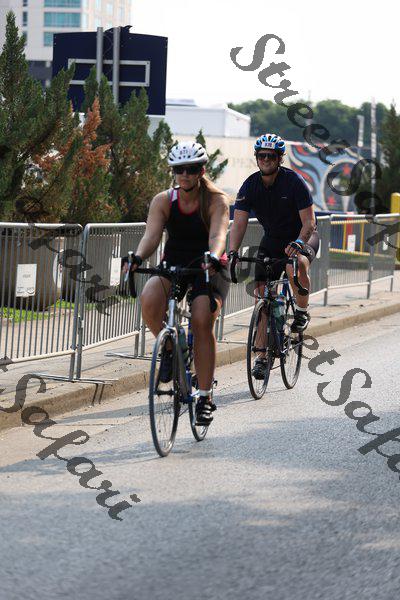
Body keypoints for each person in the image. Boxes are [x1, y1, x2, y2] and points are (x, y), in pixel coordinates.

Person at [124, 141, 230, 426]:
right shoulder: (164, 200)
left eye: (191, 169)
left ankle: (205, 397)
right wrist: (137, 257)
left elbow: (218, 235)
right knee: (149, 298)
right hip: (174, 263)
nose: (185, 174)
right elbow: (151, 236)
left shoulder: (216, 200)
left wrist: (214, 255)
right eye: (179, 169)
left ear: (201, 170)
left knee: (201, 320)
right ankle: (172, 348)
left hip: (208, 265)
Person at [228, 133, 319, 379]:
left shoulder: (294, 182)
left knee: (294, 265)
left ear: (279, 158)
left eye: (271, 156)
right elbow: (238, 224)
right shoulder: (250, 185)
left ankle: (301, 312)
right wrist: (233, 252)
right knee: (262, 298)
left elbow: (309, 222)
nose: (266, 159)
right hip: (273, 239)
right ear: (257, 158)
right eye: (261, 155)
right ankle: (261, 357)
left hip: (303, 235)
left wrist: (299, 242)